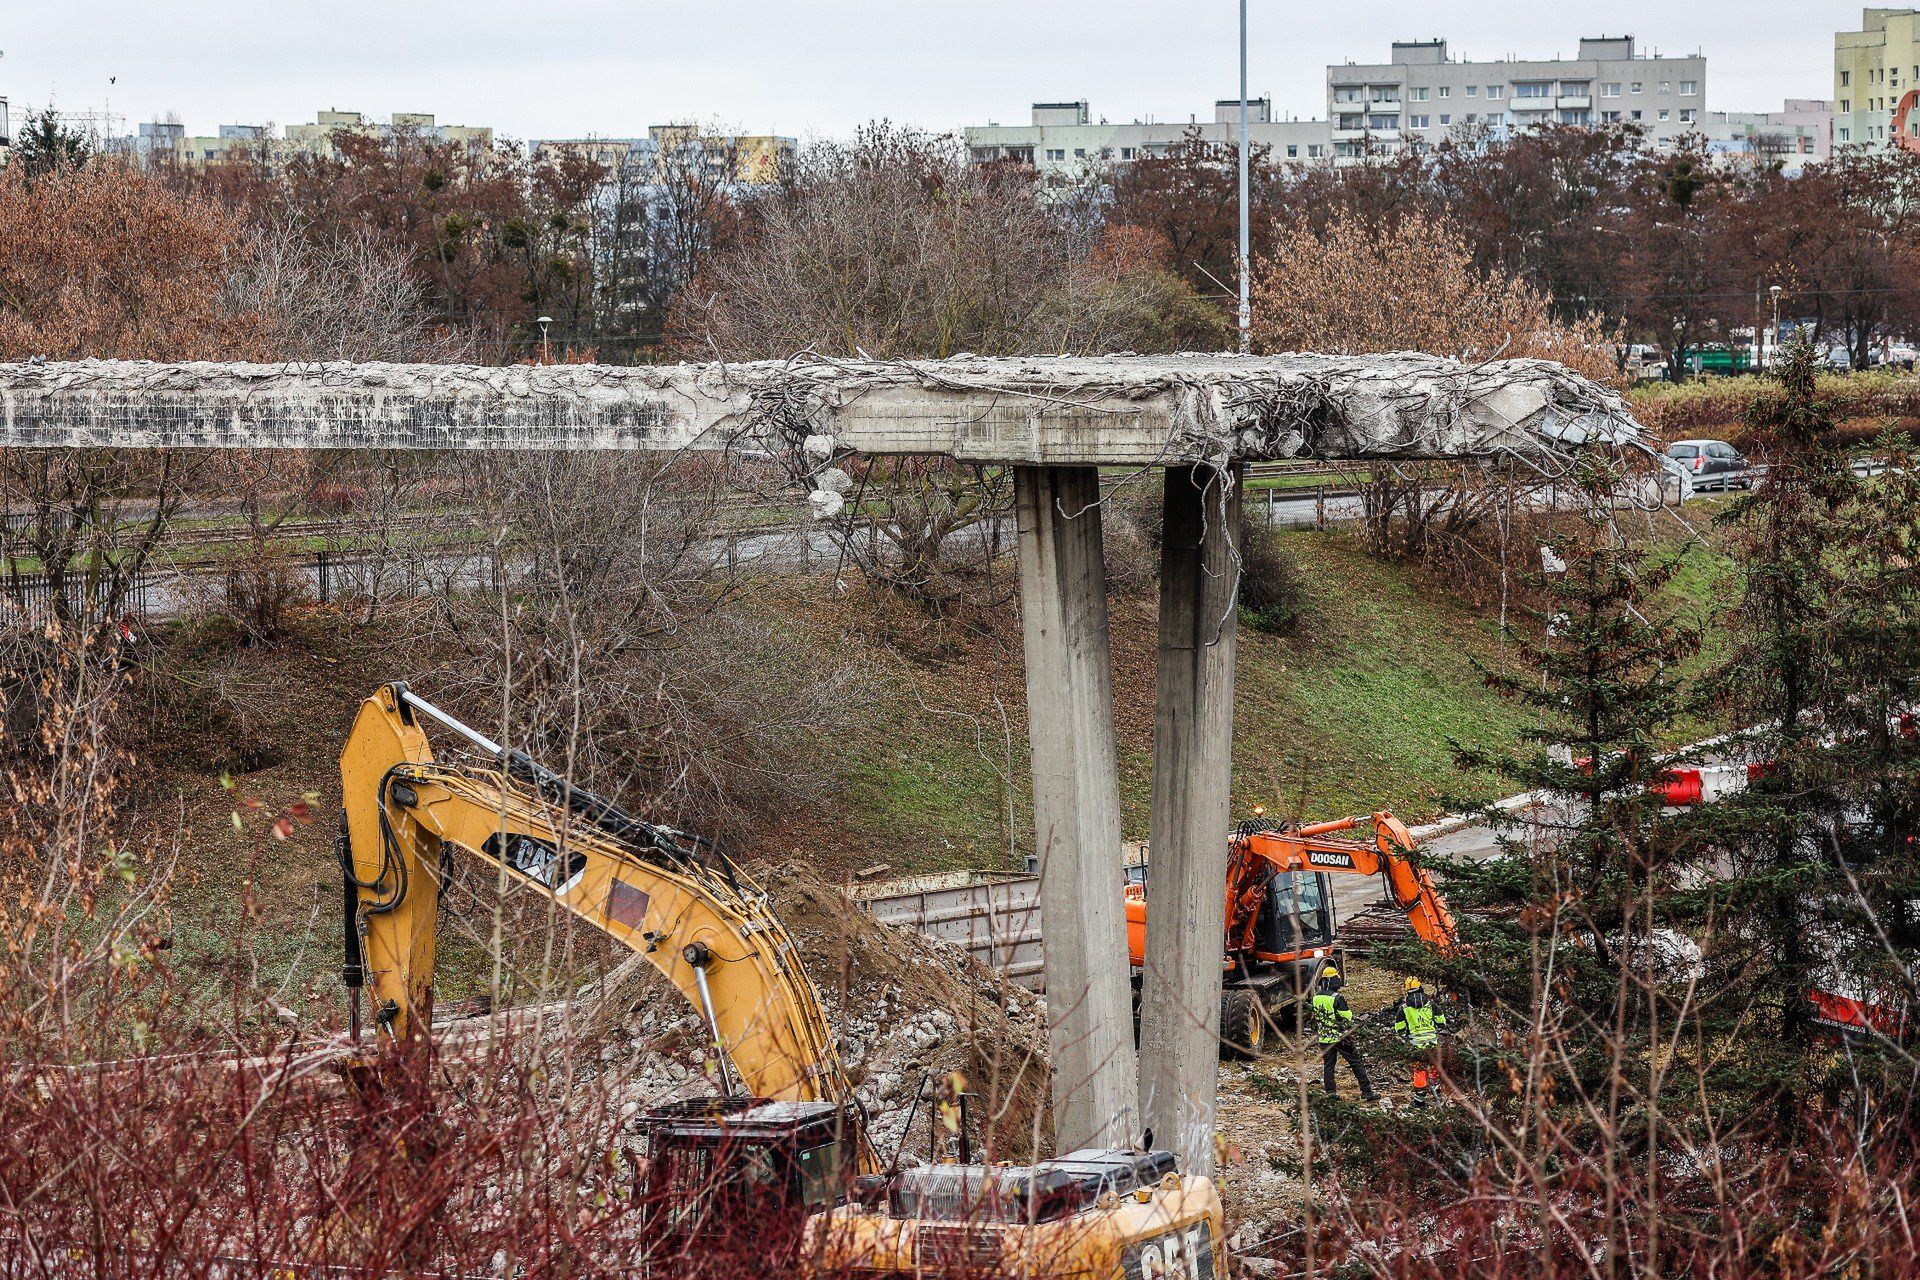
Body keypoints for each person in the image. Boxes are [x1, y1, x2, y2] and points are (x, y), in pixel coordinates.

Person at [1311, 965, 1375, 1101]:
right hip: (1341, 1038)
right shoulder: (1337, 997)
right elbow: (1347, 1016)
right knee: (1356, 1062)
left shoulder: (1316, 997)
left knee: (1329, 1067)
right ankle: (1366, 1092)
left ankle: (1330, 1094)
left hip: (1324, 1038)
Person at [1393, 976, 1448, 1108]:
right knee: (1434, 1068)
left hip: (1416, 1044)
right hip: (1432, 1043)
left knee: (1419, 1071)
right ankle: (1437, 1095)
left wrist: (1407, 1033)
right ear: (1421, 988)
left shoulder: (1404, 1008)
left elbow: (1399, 1029)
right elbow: (1441, 1023)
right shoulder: (1431, 1004)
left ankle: (1419, 1100)